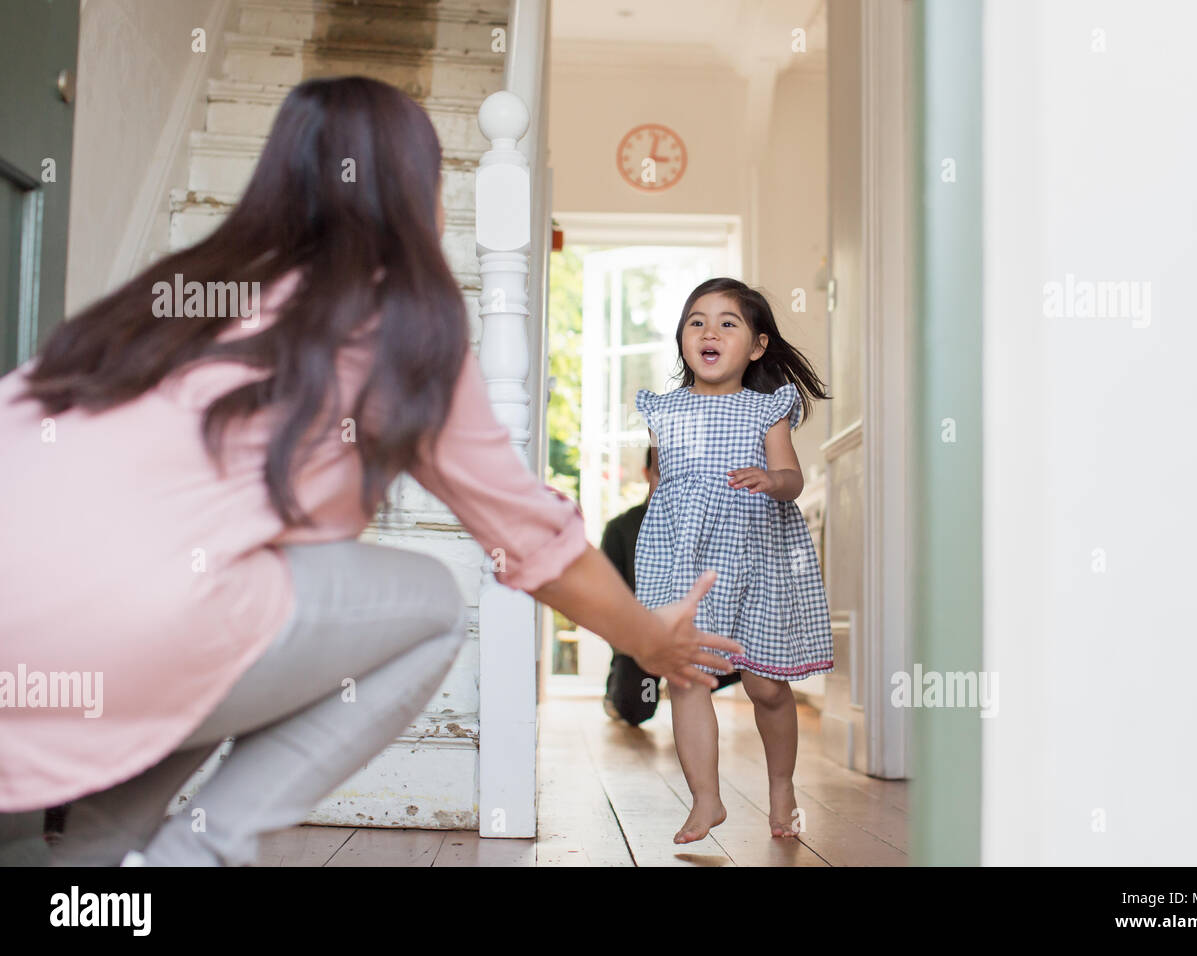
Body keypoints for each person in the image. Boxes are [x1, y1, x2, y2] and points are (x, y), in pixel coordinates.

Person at [0, 76, 742, 866]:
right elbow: (536, 545)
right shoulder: (395, 314)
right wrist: (649, 641)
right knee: (424, 605)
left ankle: (88, 876)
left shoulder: (167, 294)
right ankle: (198, 858)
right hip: (131, 632)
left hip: (36, 641)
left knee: (208, 598)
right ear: (417, 188)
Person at [633, 277, 833, 844]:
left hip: (760, 557)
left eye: (728, 322)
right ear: (681, 339)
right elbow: (664, 494)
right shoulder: (663, 410)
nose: (710, 331)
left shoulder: (766, 409)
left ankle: (781, 788)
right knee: (686, 677)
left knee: (766, 686)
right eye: (697, 321)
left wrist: (773, 480)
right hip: (688, 563)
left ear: (758, 346)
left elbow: (792, 479)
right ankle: (706, 799)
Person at [600, 448, 741, 725]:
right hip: (642, 640)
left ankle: (681, 683)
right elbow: (608, 601)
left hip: (698, 634)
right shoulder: (620, 528)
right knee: (636, 708)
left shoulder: (711, 523)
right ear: (646, 474)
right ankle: (621, 683)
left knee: (745, 659)